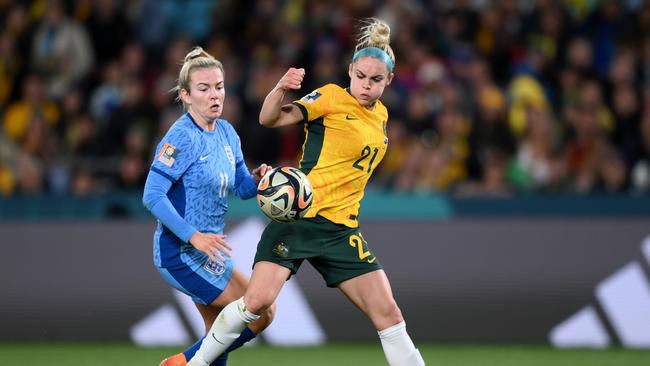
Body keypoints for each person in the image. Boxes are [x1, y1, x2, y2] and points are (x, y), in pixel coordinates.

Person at [187, 18, 425, 366]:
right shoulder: (330, 97)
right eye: (360, 76)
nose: (366, 85)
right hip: (298, 217)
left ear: (389, 80)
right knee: (256, 302)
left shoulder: (383, 117)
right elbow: (269, 118)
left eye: (375, 80)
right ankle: (196, 364)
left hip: (341, 230)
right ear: (350, 71)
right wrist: (281, 88)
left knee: (388, 312)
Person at [142, 46, 275, 366]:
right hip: (180, 253)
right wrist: (193, 236)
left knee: (219, 330)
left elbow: (241, 187)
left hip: (209, 252)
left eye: (219, 86)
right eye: (204, 88)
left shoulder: (227, 133)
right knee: (259, 313)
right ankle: (185, 363)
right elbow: (152, 195)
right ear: (186, 96)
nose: (215, 95)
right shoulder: (180, 137)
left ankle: (191, 362)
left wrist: (259, 179)